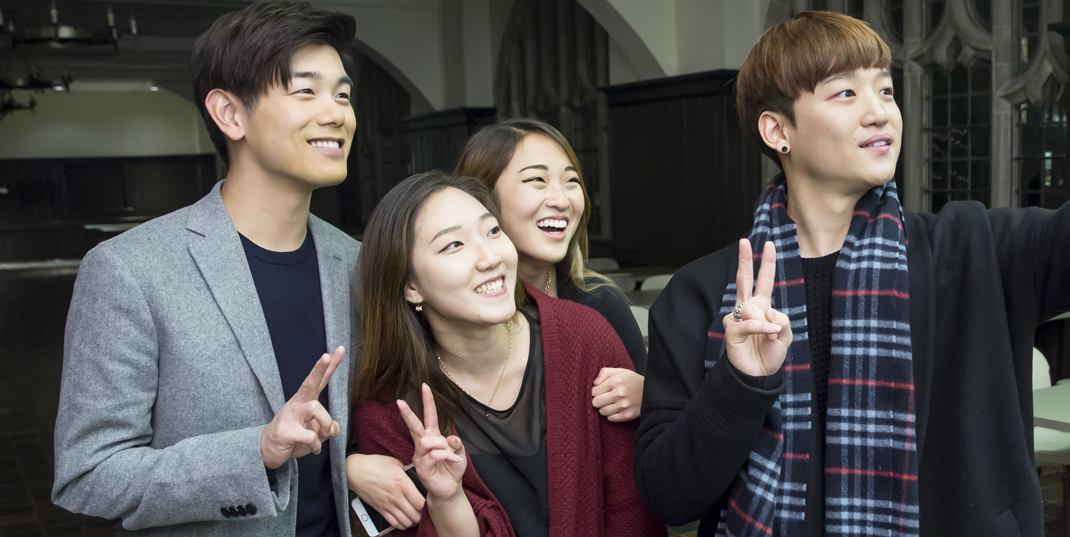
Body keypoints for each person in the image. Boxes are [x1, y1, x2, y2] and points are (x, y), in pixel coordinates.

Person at [633, 10, 1069, 537]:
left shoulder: (975, 251)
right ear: (778, 130)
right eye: (846, 93)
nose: (880, 112)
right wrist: (740, 383)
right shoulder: (702, 293)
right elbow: (669, 497)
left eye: (886, 91)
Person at [53, 3, 368, 535]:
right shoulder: (129, 270)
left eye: (342, 94)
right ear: (229, 114)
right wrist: (256, 451)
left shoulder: (354, 262)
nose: (337, 113)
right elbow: (89, 474)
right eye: (305, 91)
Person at [349, 171, 665, 536]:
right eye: (454, 245)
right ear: (411, 287)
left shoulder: (584, 337)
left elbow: (631, 510)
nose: (490, 257)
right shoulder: (390, 409)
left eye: (493, 231)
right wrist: (446, 501)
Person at [455, 118, 646, 423]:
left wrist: (647, 397)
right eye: (537, 180)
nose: (561, 200)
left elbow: (656, 436)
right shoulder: (452, 308)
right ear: (482, 196)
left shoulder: (601, 303)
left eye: (571, 181)